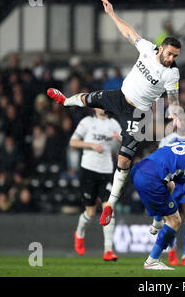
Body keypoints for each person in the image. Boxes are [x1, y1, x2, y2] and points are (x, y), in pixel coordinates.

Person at [47, 0, 182, 227]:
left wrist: (176, 111)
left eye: (175, 56)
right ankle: (65, 101)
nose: (171, 59)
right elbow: (128, 32)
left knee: (124, 158)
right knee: (88, 98)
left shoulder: (172, 73)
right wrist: (111, 14)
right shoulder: (148, 49)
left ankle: (109, 204)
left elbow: (173, 97)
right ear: (161, 48)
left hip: (138, 113)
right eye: (169, 54)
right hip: (120, 96)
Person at [131, 141, 185, 270]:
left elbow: (177, 174)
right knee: (175, 221)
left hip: (138, 169)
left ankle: (157, 221)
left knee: (170, 185)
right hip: (152, 178)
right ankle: (152, 261)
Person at [151, 117, 185, 266]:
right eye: (180, 120)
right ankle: (171, 249)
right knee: (170, 217)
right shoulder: (167, 140)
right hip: (172, 182)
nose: (183, 123)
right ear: (174, 123)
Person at [70, 108, 122, 261]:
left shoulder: (113, 124)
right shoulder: (87, 122)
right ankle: (79, 234)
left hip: (106, 170)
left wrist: (120, 139)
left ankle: (108, 250)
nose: (103, 107)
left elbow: (124, 144)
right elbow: (73, 142)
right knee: (91, 212)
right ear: (94, 107)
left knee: (108, 208)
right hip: (89, 169)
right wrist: (91, 145)